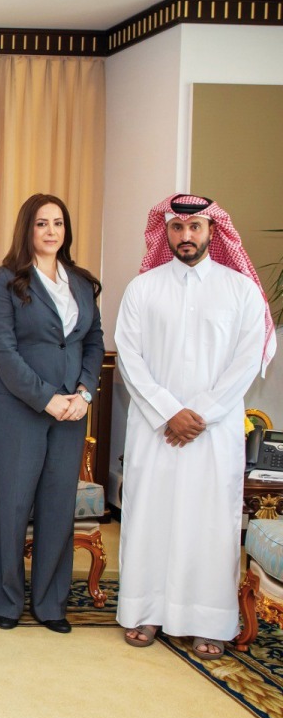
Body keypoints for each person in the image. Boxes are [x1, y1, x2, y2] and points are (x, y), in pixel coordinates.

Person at [115, 194, 275, 659]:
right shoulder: (143, 289)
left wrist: (199, 413)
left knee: (208, 524)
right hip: (156, 429)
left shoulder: (239, 290)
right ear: (165, 233)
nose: (186, 236)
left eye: (196, 227)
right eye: (178, 228)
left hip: (213, 430)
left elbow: (246, 363)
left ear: (213, 231)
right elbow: (130, 358)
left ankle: (208, 619)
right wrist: (170, 412)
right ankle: (145, 610)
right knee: (150, 518)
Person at [0, 194, 103, 633]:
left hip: (73, 410)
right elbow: (2, 347)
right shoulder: (5, 279)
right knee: (15, 504)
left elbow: (93, 342)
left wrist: (84, 393)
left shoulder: (82, 282)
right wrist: (45, 398)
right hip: (20, 406)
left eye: (58, 223)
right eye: (41, 223)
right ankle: (8, 601)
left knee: (58, 505)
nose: (51, 231)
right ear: (27, 230)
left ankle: (51, 604)